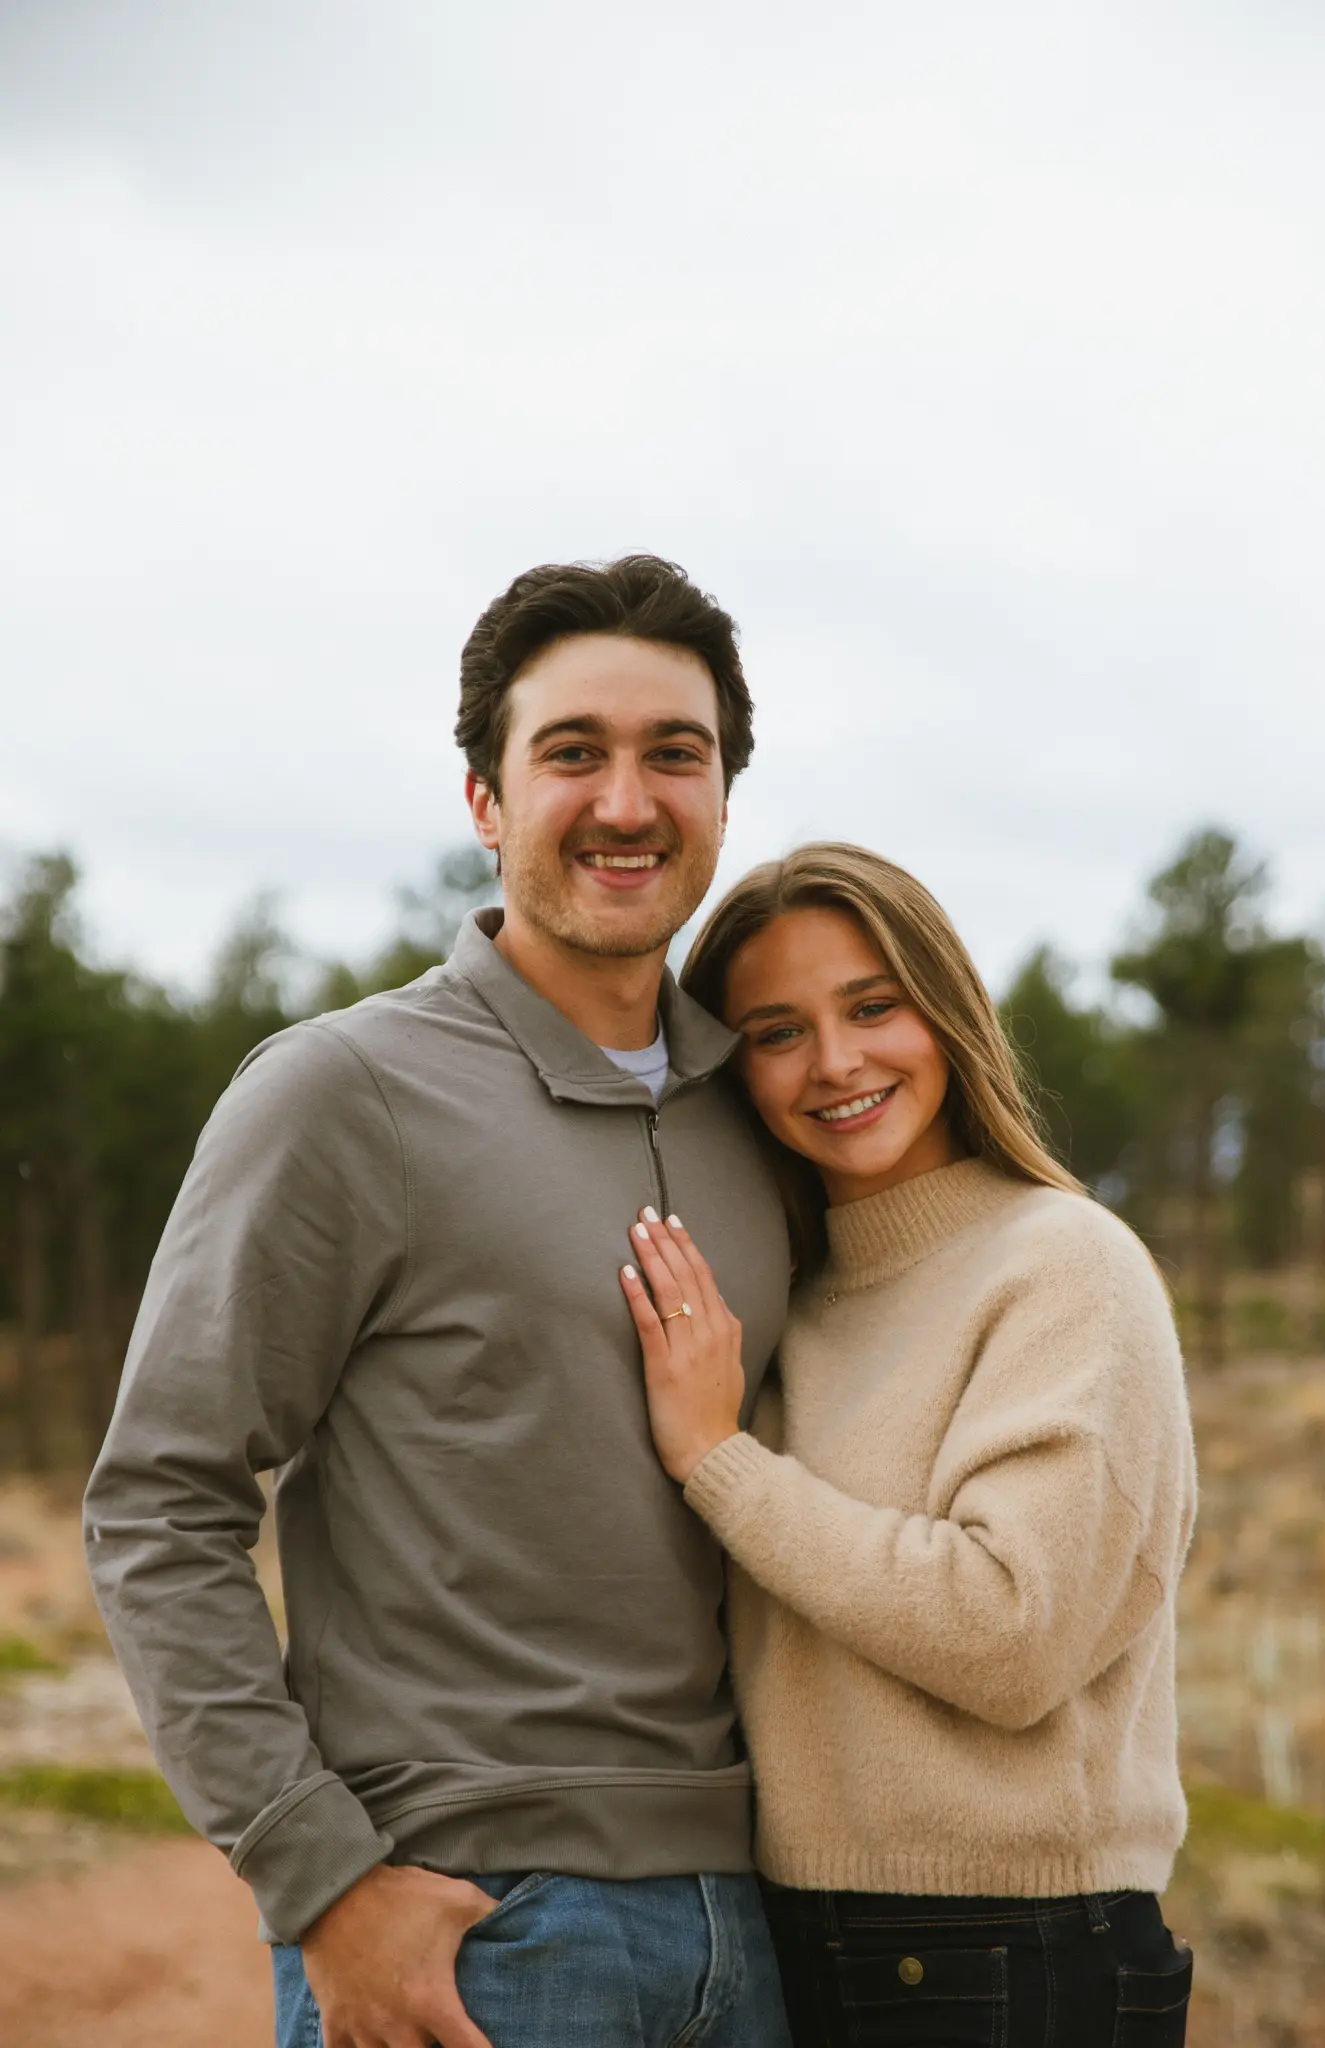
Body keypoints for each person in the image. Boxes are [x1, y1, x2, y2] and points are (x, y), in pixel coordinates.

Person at [84, 556, 795, 2048]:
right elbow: (159, 1504)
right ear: (484, 801)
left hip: (760, 1921)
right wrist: (319, 1878)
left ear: (726, 793)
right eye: (571, 754)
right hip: (477, 1931)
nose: (626, 801)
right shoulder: (343, 1095)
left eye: (676, 753)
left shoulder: (765, 1115)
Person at [620, 842, 1198, 2048]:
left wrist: (721, 1461)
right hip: (787, 1930)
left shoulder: (1063, 1264)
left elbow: (1012, 1630)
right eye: (776, 1031)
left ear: (946, 1009)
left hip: (1014, 1951)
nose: (837, 1062)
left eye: (873, 1005)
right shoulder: (791, 1301)